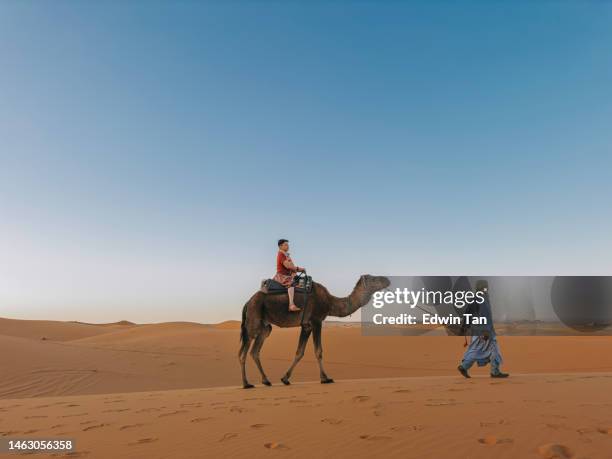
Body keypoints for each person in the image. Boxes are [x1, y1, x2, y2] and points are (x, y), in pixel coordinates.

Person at [458, 280, 509, 379]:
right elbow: (484, 314)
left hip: (476, 331)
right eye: (486, 287)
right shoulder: (482, 298)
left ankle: (464, 367)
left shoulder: (474, 298)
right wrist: (485, 330)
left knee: (476, 350)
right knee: (494, 350)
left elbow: (468, 314)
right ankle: (495, 372)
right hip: (485, 331)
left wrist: (464, 327)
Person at [273, 239, 306, 312]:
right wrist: (299, 269)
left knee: (300, 283)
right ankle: (291, 305)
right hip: (282, 276)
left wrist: (296, 270)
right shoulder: (281, 254)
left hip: (288, 275)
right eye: (286, 245)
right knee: (291, 284)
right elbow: (288, 266)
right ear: (280, 246)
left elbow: (292, 266)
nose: (288, 246)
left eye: (288, 245)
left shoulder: (286, 254)